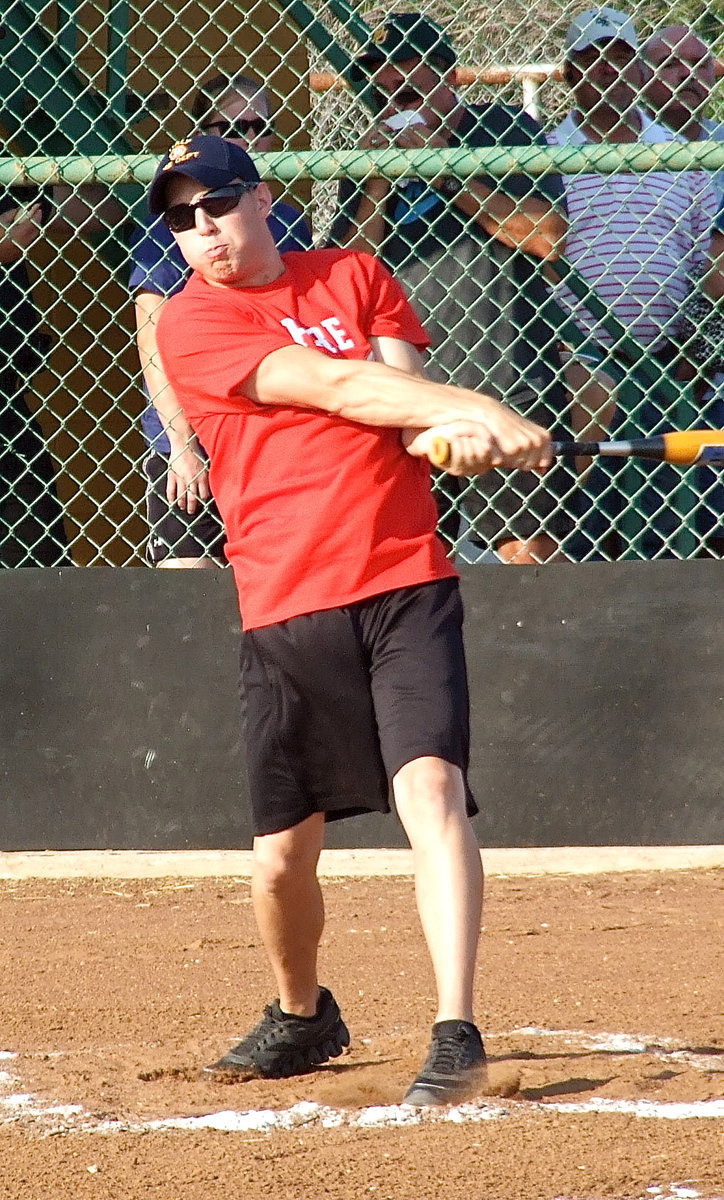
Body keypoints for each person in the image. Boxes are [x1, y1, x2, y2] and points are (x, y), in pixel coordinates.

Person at [148, 134, 552, 1105]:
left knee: (432, 790)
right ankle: (302, 1013)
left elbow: (400, 398)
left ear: (264, 199)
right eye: (182, 217)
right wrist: (474, 404)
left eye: (219, 205)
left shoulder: (356, 273)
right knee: (284, 857)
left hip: (405, 577)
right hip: (287, 600)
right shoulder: (193, 326)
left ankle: (455, 1030)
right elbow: (330, 386)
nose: (203, 230)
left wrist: (448, 436)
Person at [328, 13, 570, 564]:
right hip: (407, 390)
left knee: (523, 552)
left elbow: (546, 236)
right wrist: (380, 176)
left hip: (503, 374)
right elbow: (353, 270)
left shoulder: (501, 130)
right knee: (411, 552)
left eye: (408, 82)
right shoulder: (369, 155)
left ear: (450, 77)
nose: (393, 92)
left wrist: (443, 169)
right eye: (381, 85)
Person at [547, 7, 718, 557]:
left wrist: (692, 348)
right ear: (570, 74)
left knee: (674, 512)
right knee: (594, 507)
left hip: (672, 356)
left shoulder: (682, 155)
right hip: (583, 353)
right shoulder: (546, 152)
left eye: (620, 58)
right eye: (591, 60)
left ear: (639, 70)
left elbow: (705, 262)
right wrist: (570, 349)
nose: (607, 71)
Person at [129, 73, 312, 568]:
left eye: (259, 126)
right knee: (188, 575)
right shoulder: (173, 226)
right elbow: (154, 338)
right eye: (231, 125)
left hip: (275, 431)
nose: (248, 137)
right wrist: (182, 446)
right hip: (198, 430)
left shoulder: (290, 222)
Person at [642, 25, 724, 207]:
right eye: (669, 63)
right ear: (641, 76)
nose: (688, 73)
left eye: (699, 64)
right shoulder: (618, 141)